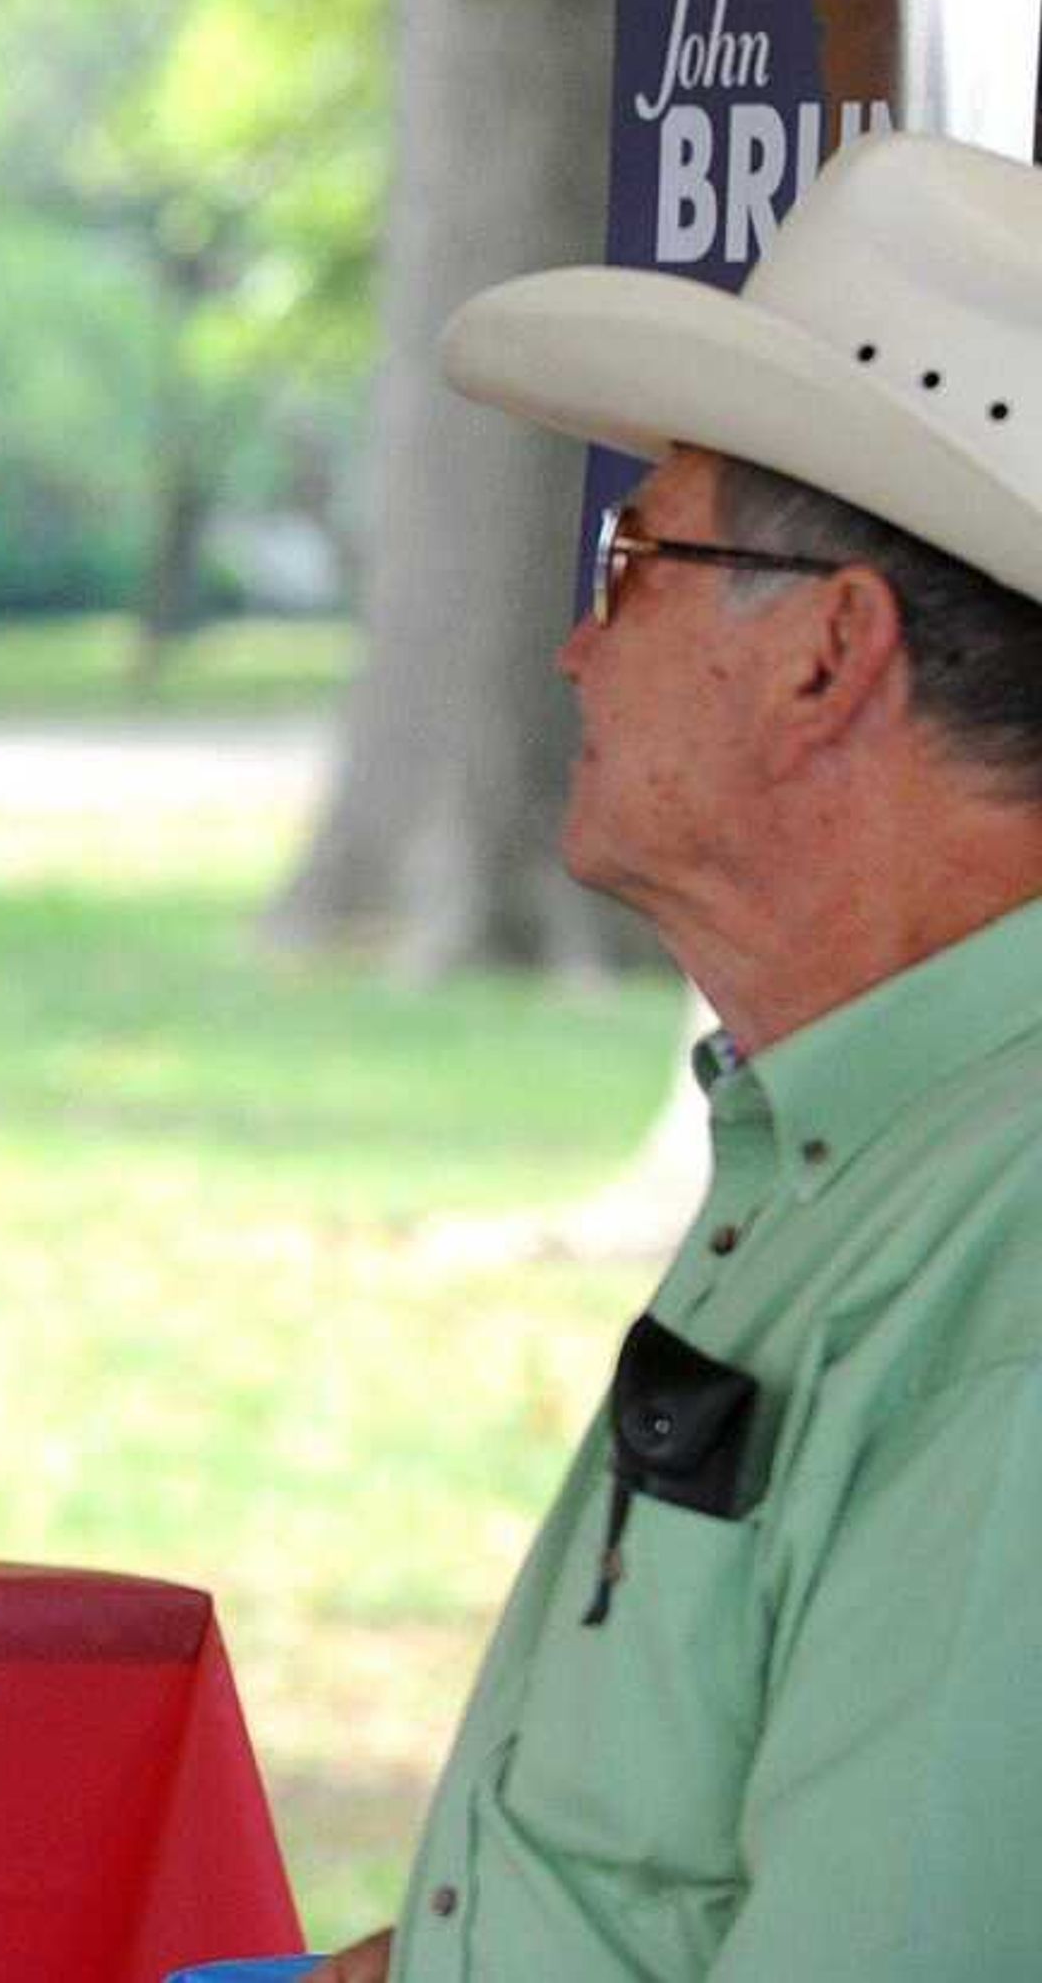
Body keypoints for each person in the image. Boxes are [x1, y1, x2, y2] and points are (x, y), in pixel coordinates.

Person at [299, 131, 1042, 1981]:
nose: (572, 648)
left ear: (827, 661)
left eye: (633, 559)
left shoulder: (1006, 1269)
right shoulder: (863, 1142)